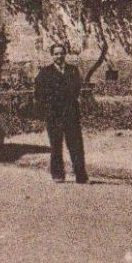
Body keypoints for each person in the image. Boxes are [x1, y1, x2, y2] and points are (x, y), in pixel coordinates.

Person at [33, 43, 89, 184]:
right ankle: (58, 174)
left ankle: (80, 175)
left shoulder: (72, 70)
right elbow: (39, 94)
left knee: (75, 144)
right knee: (56, 145)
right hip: (54, 114)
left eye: (61, 53)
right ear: (52, 56)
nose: (59, 56)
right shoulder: (45, 73)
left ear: (65, 54)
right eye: (56, 54)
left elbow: (76, 89)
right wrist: (48, 107)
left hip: (71, 112)